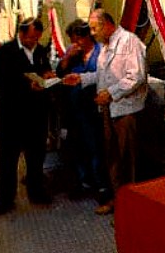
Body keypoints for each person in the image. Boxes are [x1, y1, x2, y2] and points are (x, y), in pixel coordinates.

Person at [64, 9, 147, 214]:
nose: (91, 33)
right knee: (112, 158)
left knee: (126, 160)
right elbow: (103, 75)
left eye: (94, 28)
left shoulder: (129, 42)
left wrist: (110, 93)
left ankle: (129, 208)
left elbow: (136, 76)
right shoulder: (106, 46)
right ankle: (117, 200)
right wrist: (82, 79)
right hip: (109, 109)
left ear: (106, 24)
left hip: (125, 111)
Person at [0, 17, 56, 215]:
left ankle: (36, 191)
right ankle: (5, 198)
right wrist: (28, 86)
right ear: (21, 33)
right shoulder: (5, 52)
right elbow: (3, 81)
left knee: (36, 154)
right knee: (9, 157)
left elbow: (43, 68)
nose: (33, 41)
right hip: (13, 114)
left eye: (36, 38)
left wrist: (47, 75)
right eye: (30, 38)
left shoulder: (40, 50)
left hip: (36, 115)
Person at [56, 19, 107, 200]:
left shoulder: (101, 52)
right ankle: (82, 181)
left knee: (96, 147)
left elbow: (105, 77)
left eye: (78, 40)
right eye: (72, 40)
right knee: (76, 146)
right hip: (74, 111)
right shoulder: (74, 55)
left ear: (87, 37)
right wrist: (67, 57)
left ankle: (100, 184)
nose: (75, 44)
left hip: (94, 110)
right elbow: (59, 73)